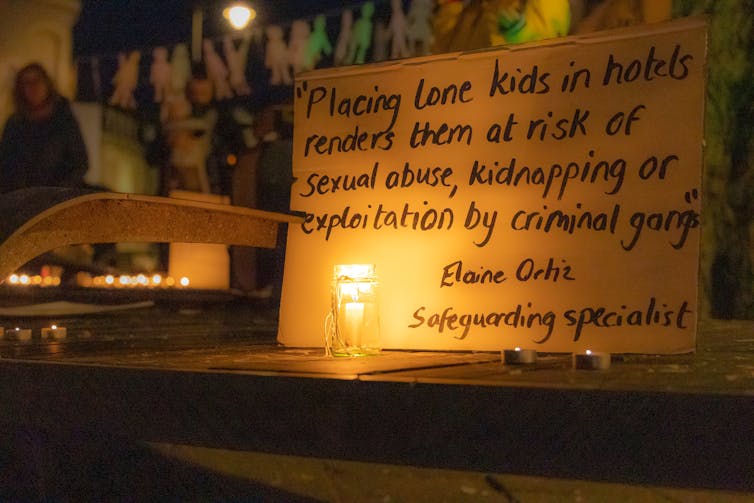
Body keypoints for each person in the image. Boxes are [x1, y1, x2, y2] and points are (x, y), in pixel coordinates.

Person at [0, 63, 88, 193]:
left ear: (46, 84)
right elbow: (6, 164)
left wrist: (58, 191)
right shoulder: (14, 124)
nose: (33, 87)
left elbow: (80, 163)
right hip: (22, 199)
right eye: (27, 83)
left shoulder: (63, 120)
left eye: (37, 81)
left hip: (56, 198)